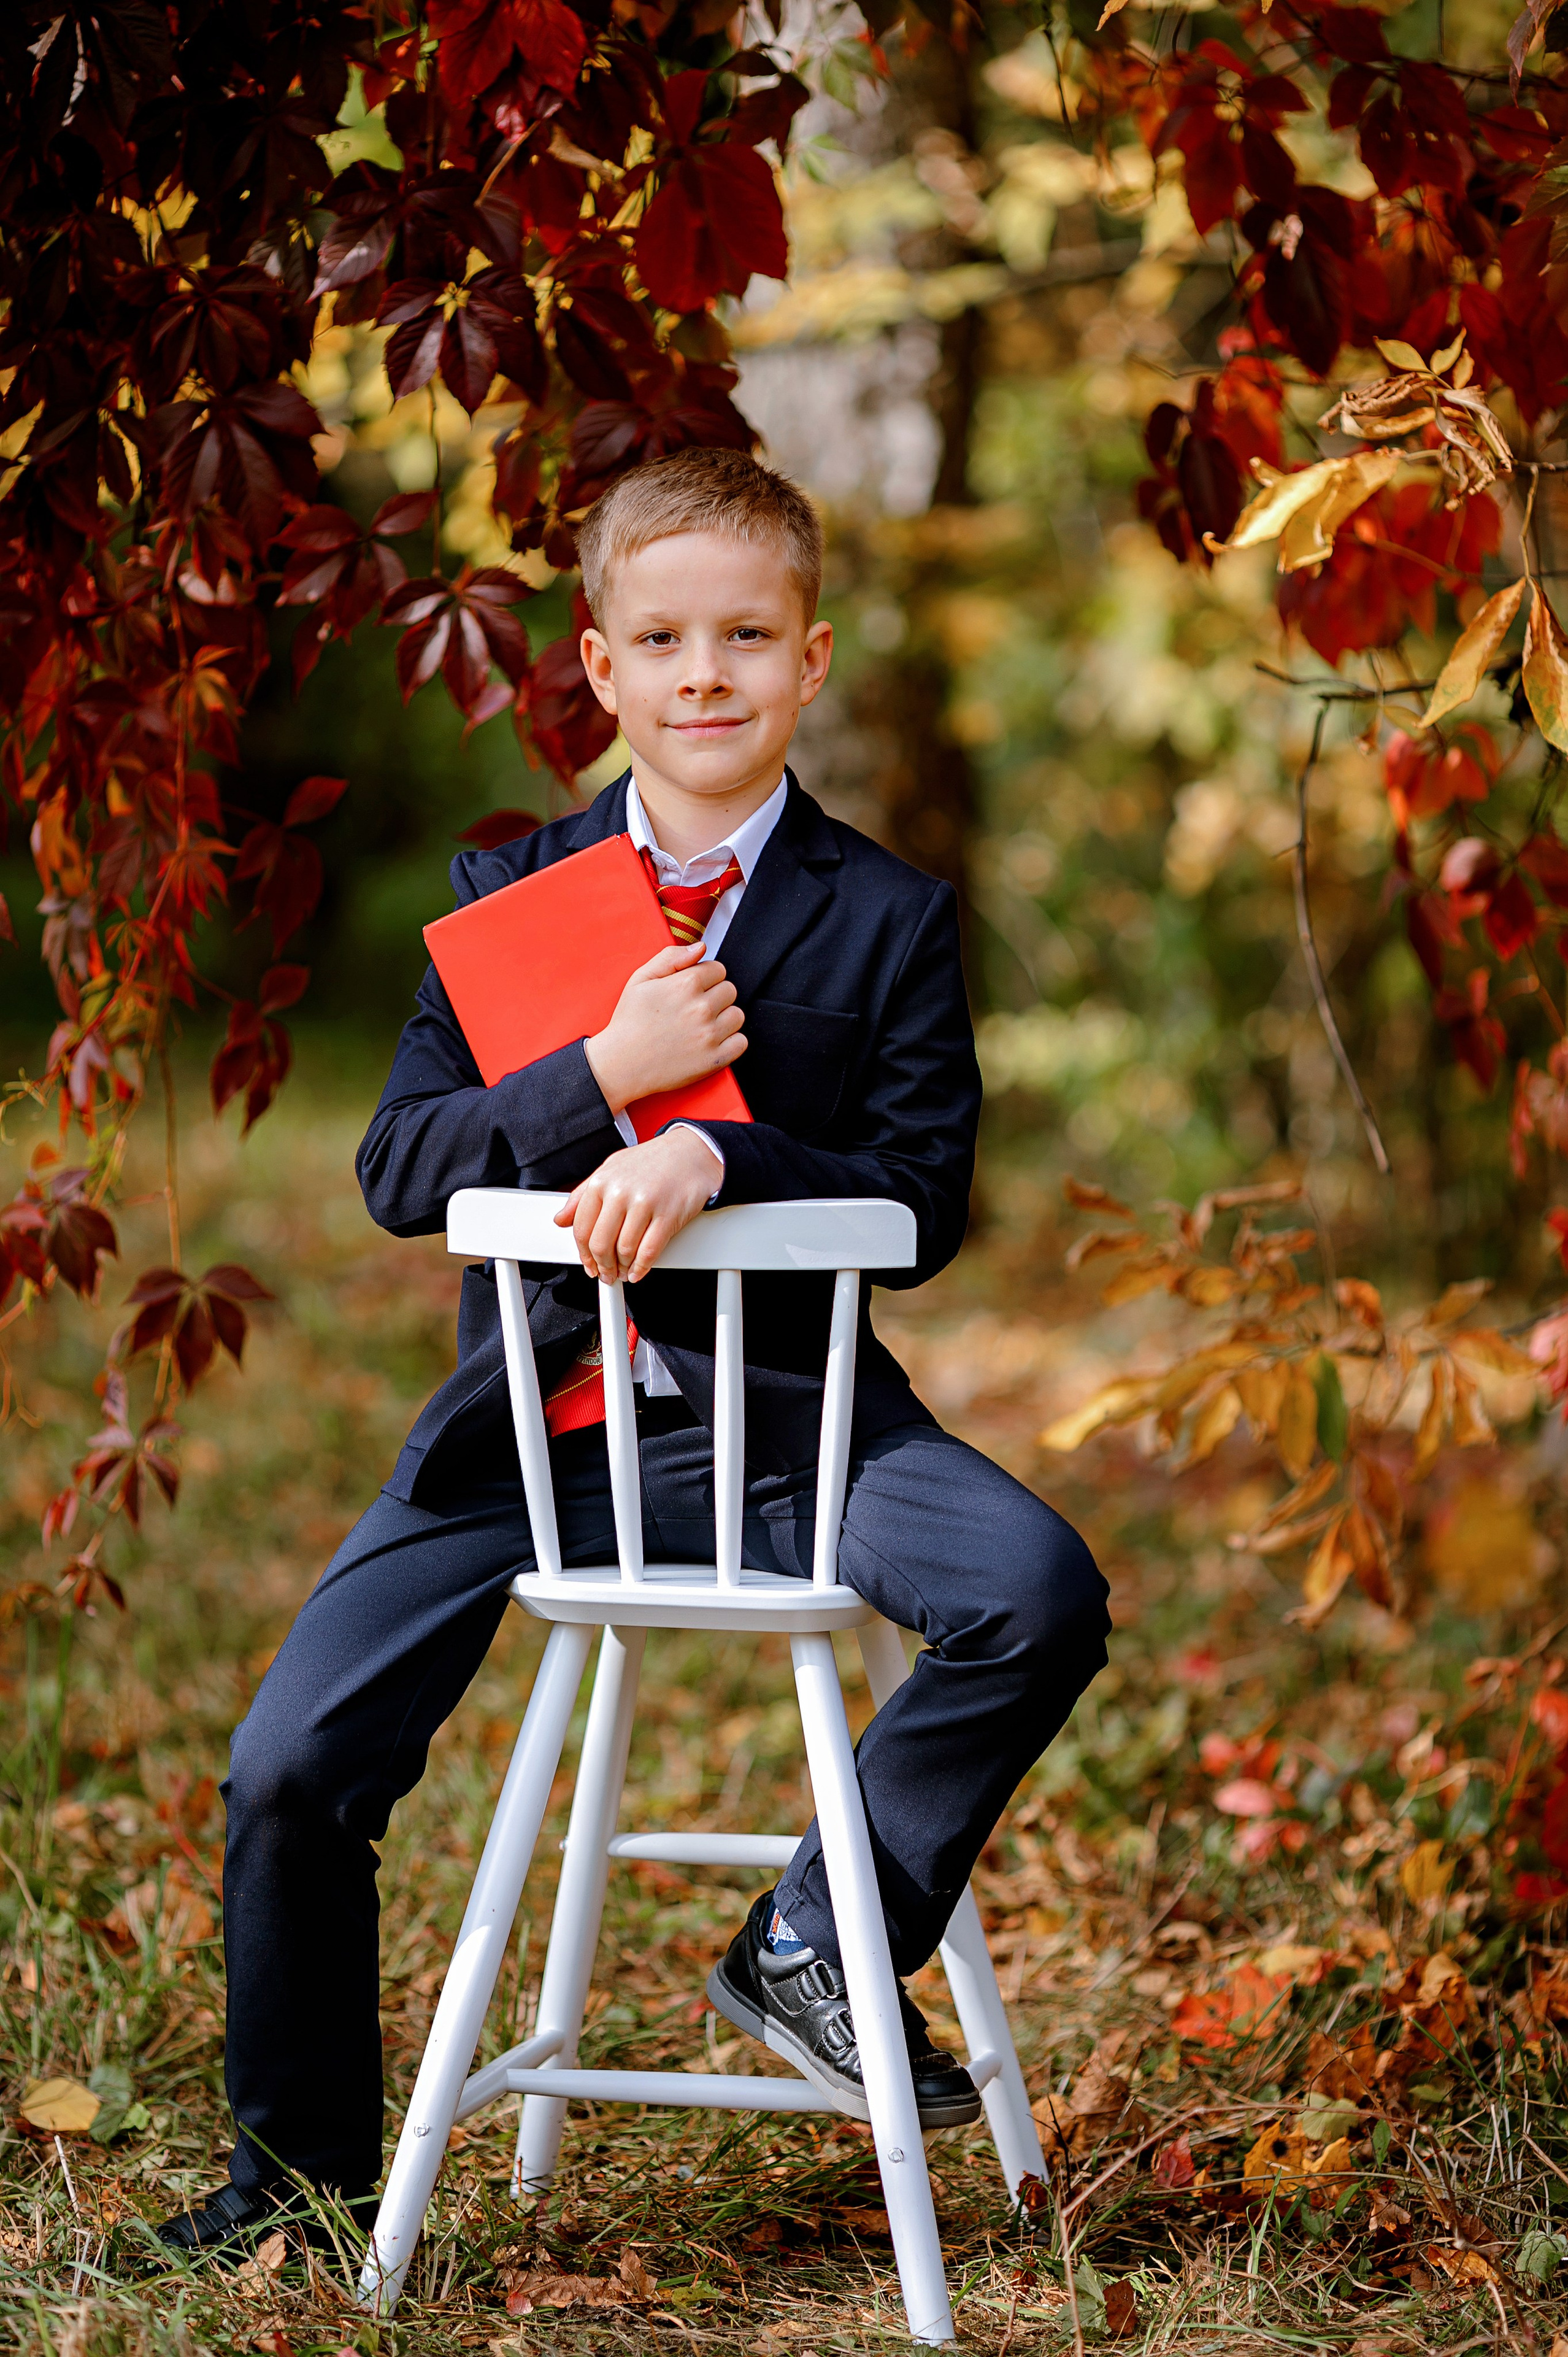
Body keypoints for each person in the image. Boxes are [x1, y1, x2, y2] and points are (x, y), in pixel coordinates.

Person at [155, 446, 1109, 2256]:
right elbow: (396, 1168)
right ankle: (291, 2181)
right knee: (288, 1760)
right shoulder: (516, 893)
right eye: (663, 638)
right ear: (600, 663)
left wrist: (716, 1146)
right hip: (526, 1433)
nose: (705, 675)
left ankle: (826, 1933)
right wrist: (604, 1071)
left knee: (1039, 1588)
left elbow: (924, 1200)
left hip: (787, 1424)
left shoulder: (887, 914)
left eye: (748, 634)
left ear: (809, 660)